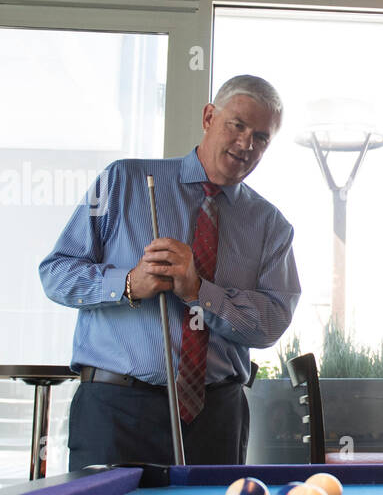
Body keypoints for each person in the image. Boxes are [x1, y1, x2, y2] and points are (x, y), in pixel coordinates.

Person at [40, 74, 302, 469]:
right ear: (209, 116)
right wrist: (129, 283)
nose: (247, 144)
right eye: (238, 125)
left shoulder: (271, 226)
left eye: (262, 137)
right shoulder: (123, 181)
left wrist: (200, 291)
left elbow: (270, 325)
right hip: (116, 412)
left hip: (216, 417)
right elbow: (56, 274)